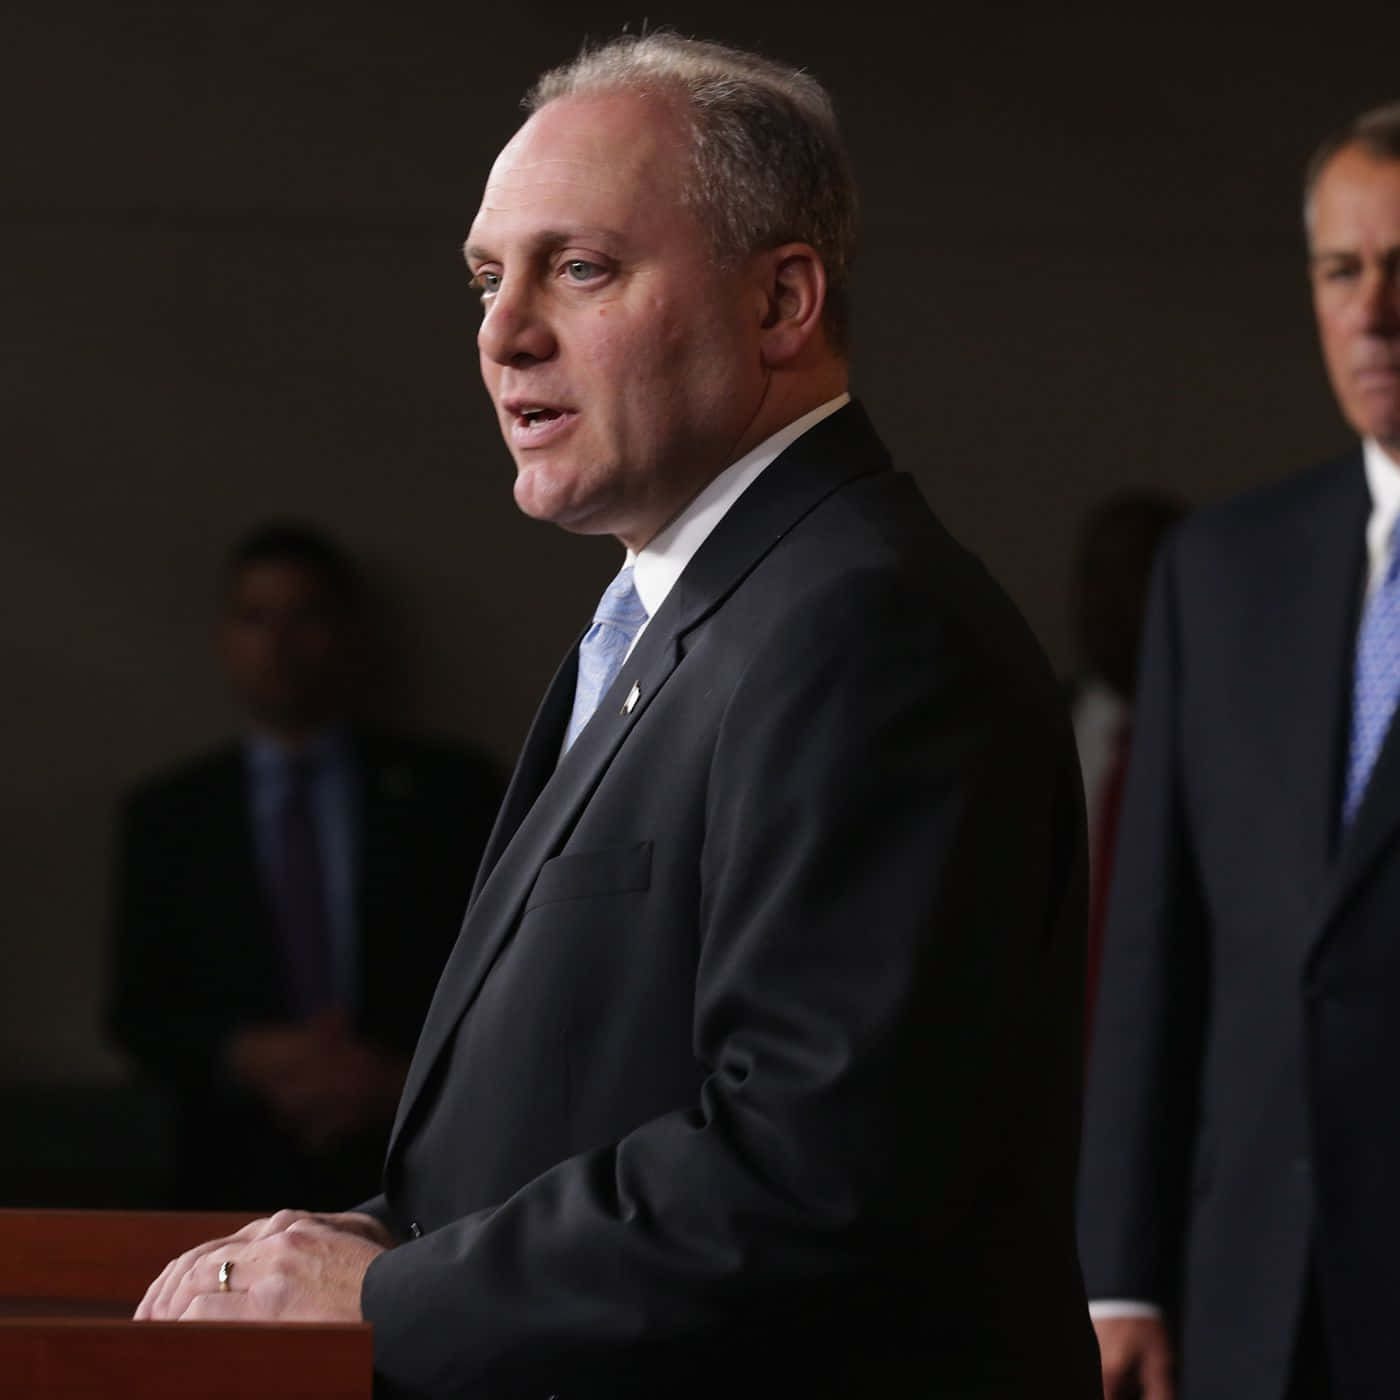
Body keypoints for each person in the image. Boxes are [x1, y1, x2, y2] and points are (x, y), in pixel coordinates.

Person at [134, 34, 1101, 1397]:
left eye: (577, 268)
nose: (501, 332)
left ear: (781, 302)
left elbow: (817, 1171)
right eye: (486, 276)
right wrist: (370, 1237)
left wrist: (397, 1291)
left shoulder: (864, 627)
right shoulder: (692, 609)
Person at [1079, 101, 1400, 1399]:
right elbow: (1158, 945)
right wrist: (1123, 1272)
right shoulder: (1222, 571)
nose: (1374, 310)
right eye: (1343, 270)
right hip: (1251, 1293)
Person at [107, 521, 503, 1209]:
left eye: (305, 616)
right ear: (224, 638)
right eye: (256, 618)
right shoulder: (170, 814)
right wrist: (251, 1055)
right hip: (224, 1174)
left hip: (421, 1155)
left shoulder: (453, 793)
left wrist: (398, 1077)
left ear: (347, 632)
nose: (279, 645)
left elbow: (503, 973)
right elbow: (137, 1011)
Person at [1067, 491, 1185, 1026]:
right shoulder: (1028, 730)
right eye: (1099, 579)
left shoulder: (1235, 751)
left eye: (1140, 576)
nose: (1113, 603)